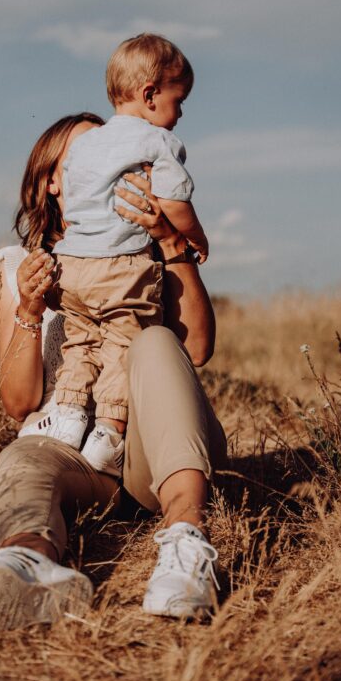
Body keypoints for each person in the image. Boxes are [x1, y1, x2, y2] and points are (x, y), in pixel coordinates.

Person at [0, 112, 227, 631]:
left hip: (151, 456)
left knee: (156, 341)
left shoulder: (147, 254)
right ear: (53, 180)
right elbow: (19, 404)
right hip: (77, 459)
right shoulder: (20, 266)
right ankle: (28, 562)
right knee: (22, 458)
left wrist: (169, 242)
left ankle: (187, 546)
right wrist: (30, 309)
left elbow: (199, 349)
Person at [21, 34, 209, 481]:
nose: (181, 113)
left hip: (72, 267)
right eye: (179, 100)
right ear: (150, 95)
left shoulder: (86, 148)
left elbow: (199, 350)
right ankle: (108, 431)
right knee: (126, 342)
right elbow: (175, 200)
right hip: (120, 267)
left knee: (81, 341)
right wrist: (195, 237)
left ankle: (69, 416)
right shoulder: (158, 141)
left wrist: (168, 243)